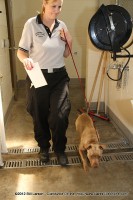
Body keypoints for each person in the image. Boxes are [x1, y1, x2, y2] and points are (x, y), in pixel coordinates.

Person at [17, 0, 72, 166]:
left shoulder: (62, 25)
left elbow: (67, 54)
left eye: (60, 7)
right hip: (38, 74)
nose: (57, 11)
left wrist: (69, 40)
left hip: (59, 76)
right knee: (39, 113)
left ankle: (60, 149)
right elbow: (21, 51)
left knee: (60, 115)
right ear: (44, 4)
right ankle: (43, 147)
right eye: (53, 6)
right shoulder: (31, 24)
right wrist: (25, 61)